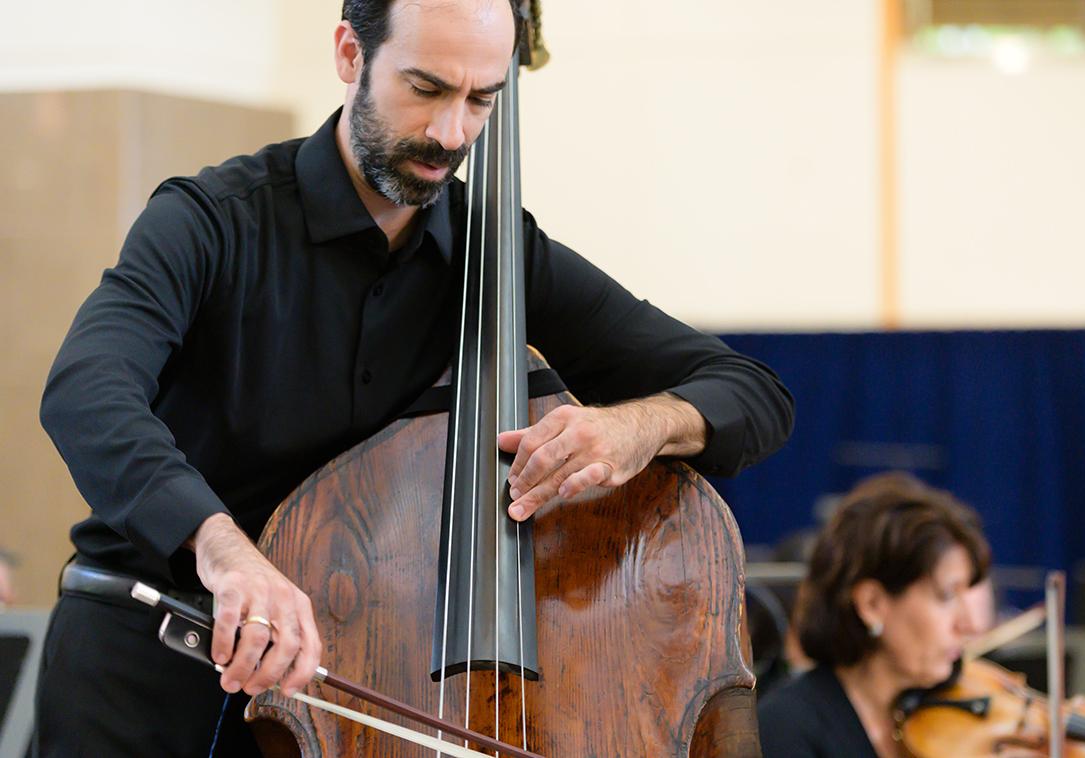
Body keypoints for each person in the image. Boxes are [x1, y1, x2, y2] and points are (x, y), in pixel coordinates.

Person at [34, 0, 794, 755]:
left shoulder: (497, 252)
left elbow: (750, 390)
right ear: (349, 55)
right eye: (426, 89)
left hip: (344, 691)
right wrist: (224, 549)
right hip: (145, 672)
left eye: (481, 99)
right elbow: (87, 389)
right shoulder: (211, 221)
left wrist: (638, 425)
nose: (451, 133)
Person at [756, 473, 991, 757]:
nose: (968, 624)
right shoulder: (786, 729)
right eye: (947, 596)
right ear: (872, 604)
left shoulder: (939, 719)